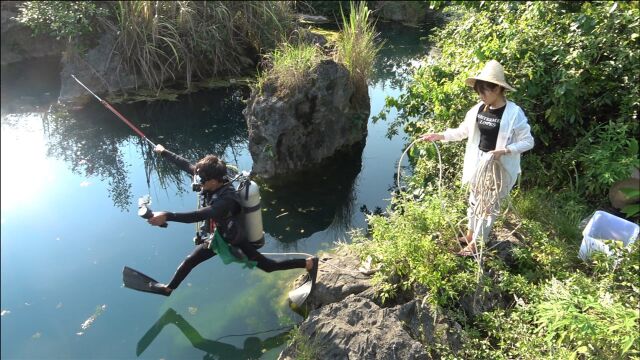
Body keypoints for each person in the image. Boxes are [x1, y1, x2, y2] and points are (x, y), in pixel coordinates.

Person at [145, 144, 318, 295]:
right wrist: (164, 152)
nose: (197, 181)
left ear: (214, 181)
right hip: (216, 236)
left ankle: (309, 263)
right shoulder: (208, 179)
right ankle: (168, 289)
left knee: (268, 266)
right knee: (190, 260)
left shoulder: (226, 199)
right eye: (198, 176)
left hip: (233, 239)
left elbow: (199, 215)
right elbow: (186, 165)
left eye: (202, 179)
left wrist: (167, 215)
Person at [420, 60, 534, 256]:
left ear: (498, 88)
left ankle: (476, 245)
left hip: (498, 167)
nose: (481, 96)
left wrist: (505, 150)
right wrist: (438, 136)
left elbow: (528, 142)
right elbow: (463, 131)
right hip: (478, 162)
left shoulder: (514, 114)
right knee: (474, 200)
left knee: (488, 206)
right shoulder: (479, 109)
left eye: (485, 91)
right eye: (479, 92)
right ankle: (470, 234)